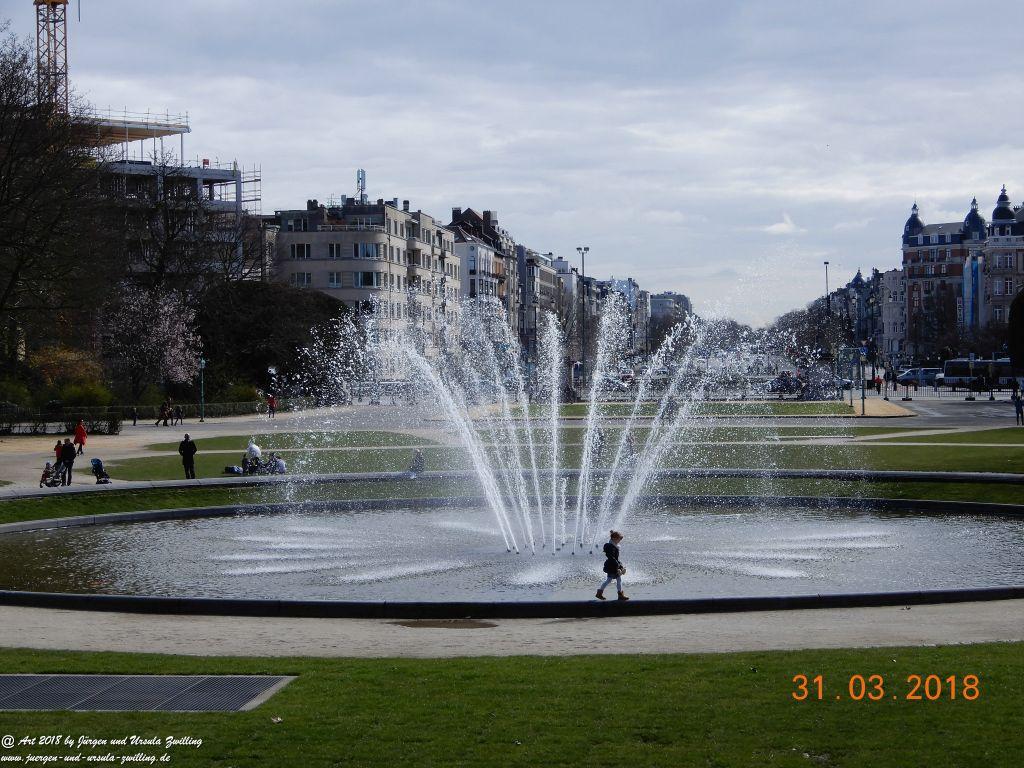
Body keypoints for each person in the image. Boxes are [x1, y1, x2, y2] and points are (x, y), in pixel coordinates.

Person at [596, 530, 629, 601]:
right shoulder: (610, 547)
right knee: (612, 580)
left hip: (613, 565)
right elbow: (611, 557)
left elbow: (616, 558)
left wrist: (621, 566)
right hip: (612, 566)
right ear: (614, 539)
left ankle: (600, 593)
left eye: (620, 539)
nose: (619, 541)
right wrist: (618, 566)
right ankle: (619, 595)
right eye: (619, 539)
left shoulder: (614, 546)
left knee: (612, 580)